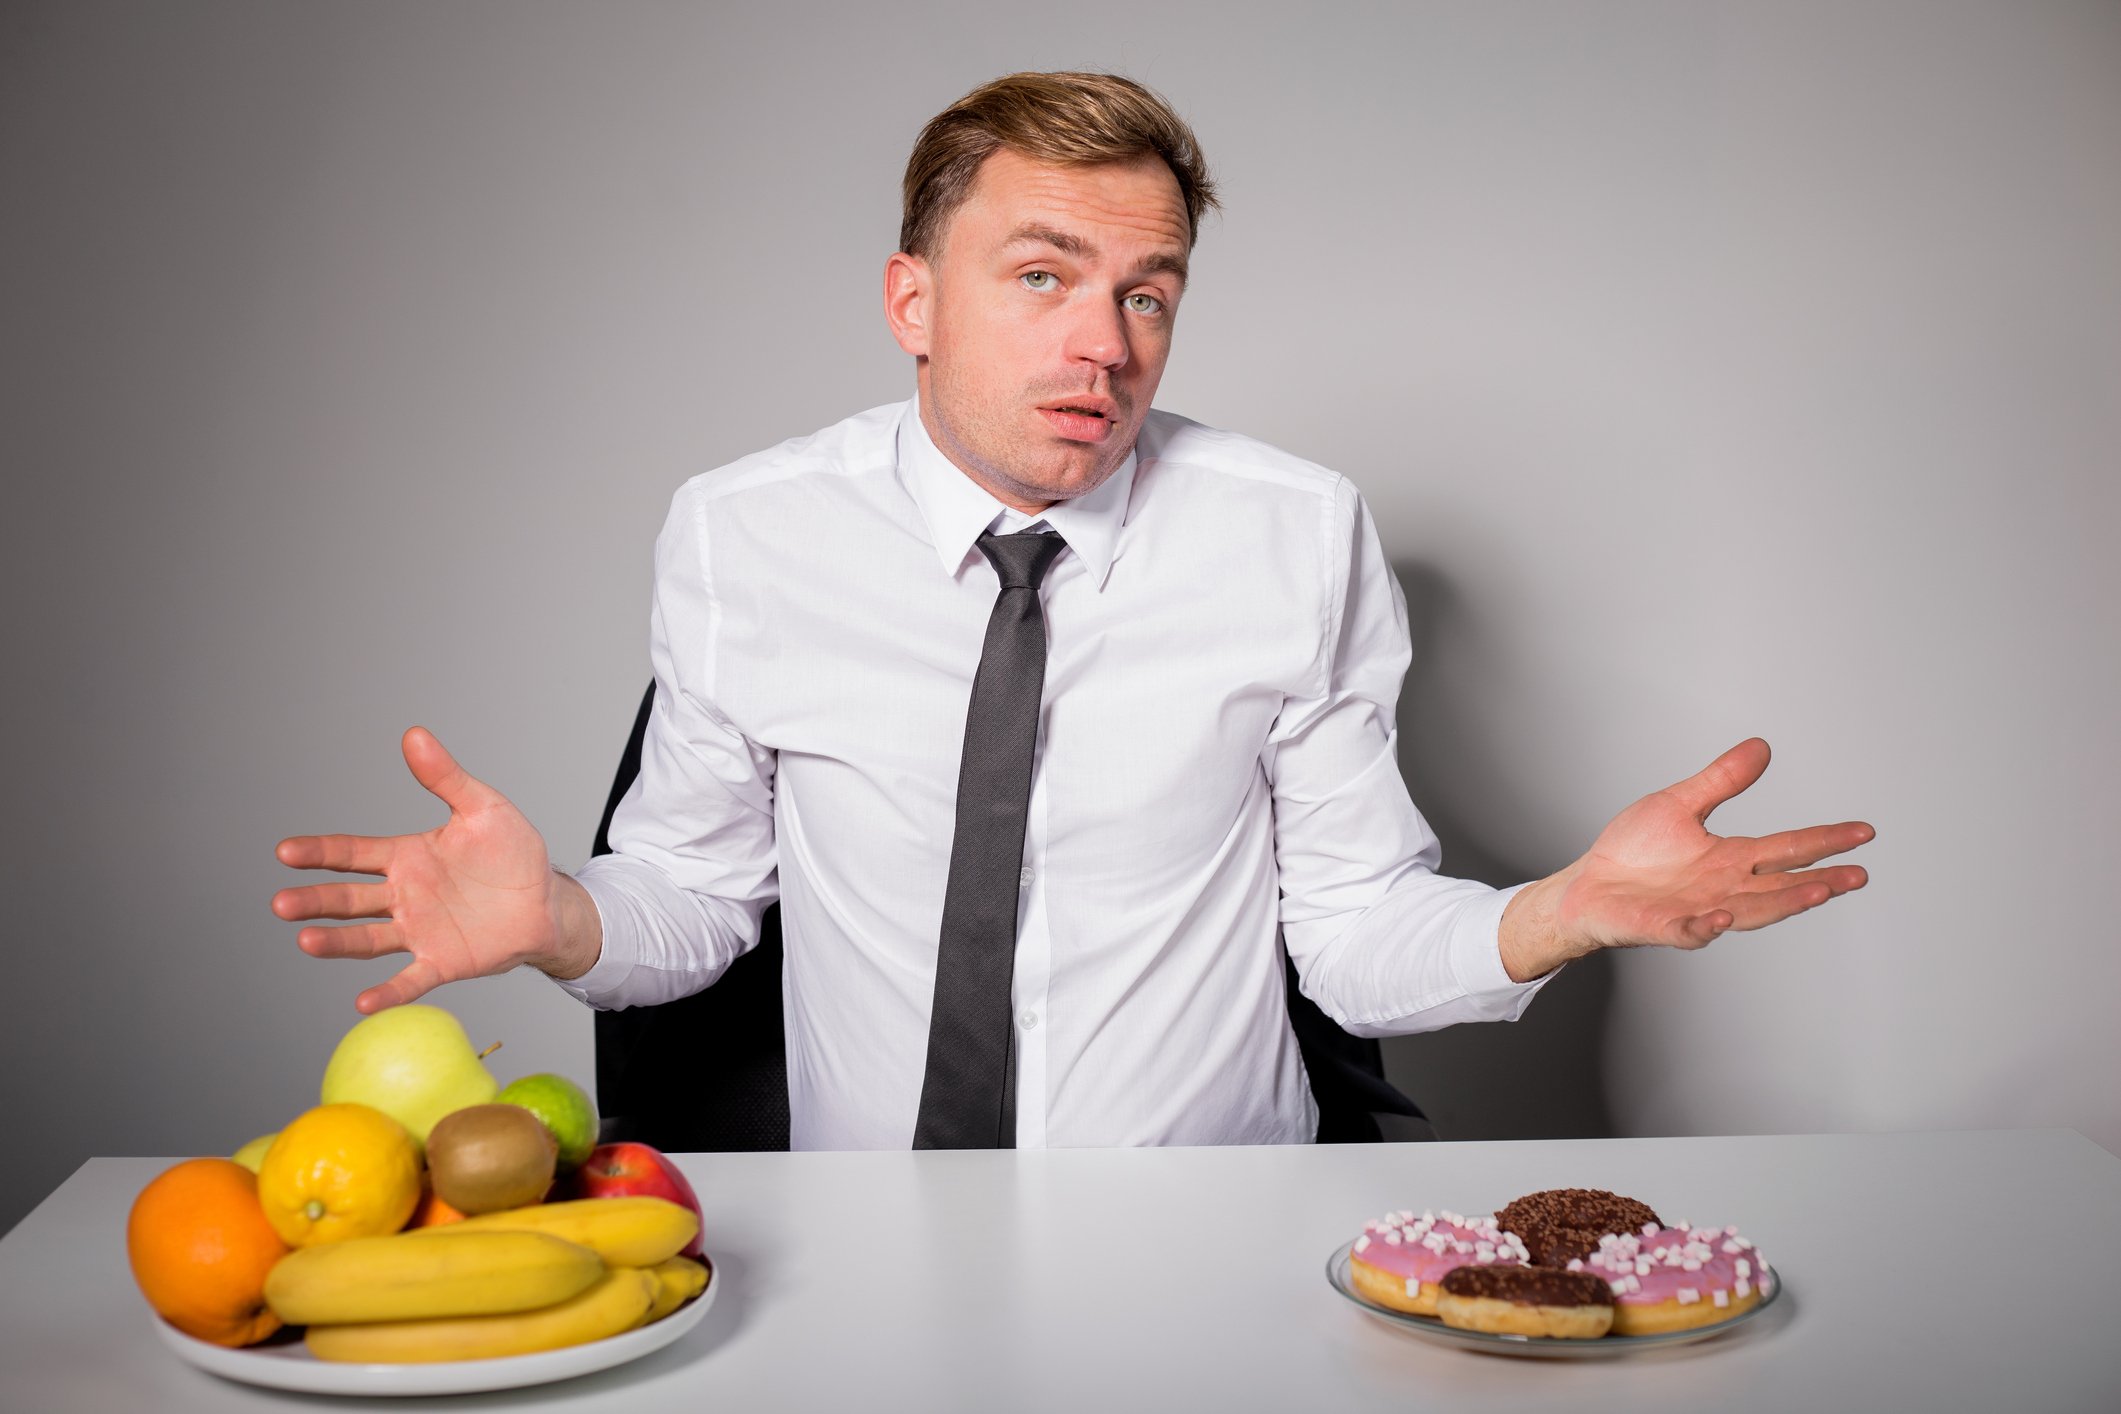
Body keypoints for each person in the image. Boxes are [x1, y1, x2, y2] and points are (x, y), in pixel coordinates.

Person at [272, 72, 1872, 1149]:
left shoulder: (1292, 535)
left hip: (1219, 1240)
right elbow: (695, 902)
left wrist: (1564, 908)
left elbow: (1355, 937)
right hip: (863, 1246)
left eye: (1145, 291)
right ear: (912, 299)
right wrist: (561, 919)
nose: (1104, 343)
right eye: (1041, 274)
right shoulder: (744, 535)